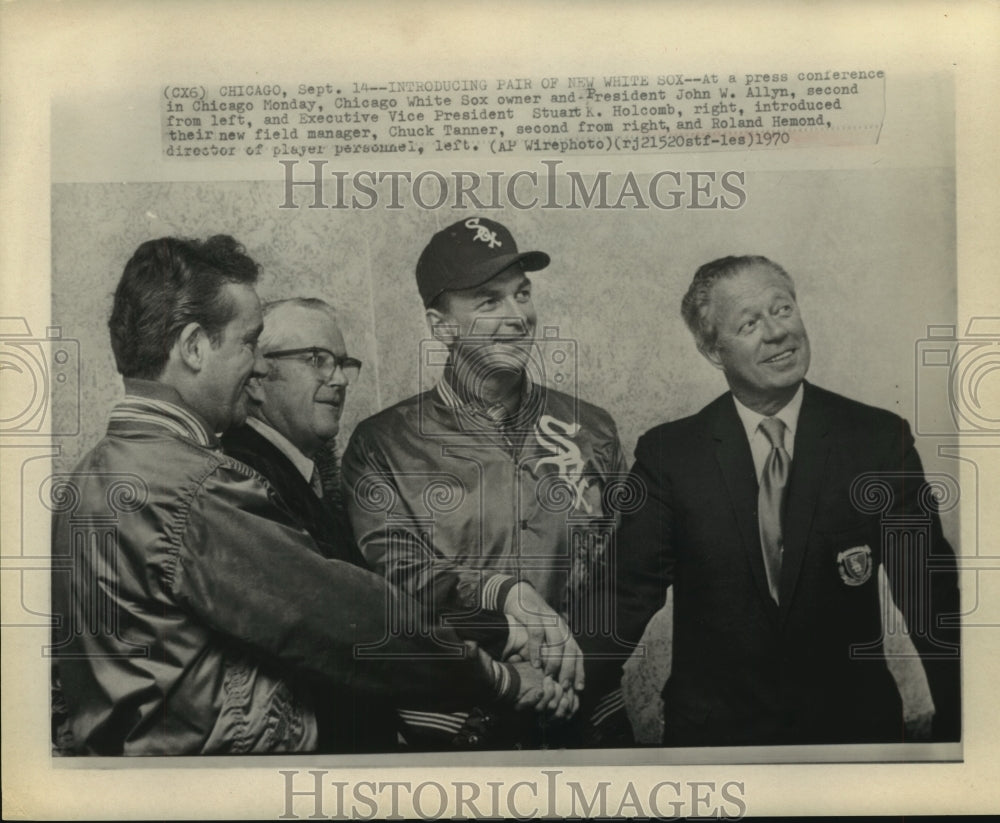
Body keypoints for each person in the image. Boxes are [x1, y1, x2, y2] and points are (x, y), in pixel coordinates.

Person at [50, 235, 552, 756]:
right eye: (248, 343)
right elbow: (343, 618)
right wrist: (499, 678)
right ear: (195, 347)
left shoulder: (87, 476)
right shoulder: (193, 486)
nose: (259, 367)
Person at [587, 254, 961, 746]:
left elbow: (931, 602)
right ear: (713, 350)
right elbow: (622, 598)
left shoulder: (876, 441)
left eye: (782, 310)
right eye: (749, 323)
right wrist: (561, 690)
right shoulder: (671, 456)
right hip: (718, 747)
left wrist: (967, 736)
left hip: (852, 739)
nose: (777, 332)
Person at [342, 217, 632, 747]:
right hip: (455, 730)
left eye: (522, 294)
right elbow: (397, 578)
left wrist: (571, 672)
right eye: (488, 301)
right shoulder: (382, 443)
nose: (517, 316)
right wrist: (504, 599)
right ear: (441, 325)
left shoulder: (591, 430)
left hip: (585, 718)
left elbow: (623, 573)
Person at [221, 297, 532, 749]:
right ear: (255, 379)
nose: (340, 379)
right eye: (316, 359)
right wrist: (506, 642)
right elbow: (351, 620)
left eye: (344, 362)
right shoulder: (248, 476)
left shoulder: (299, 474)